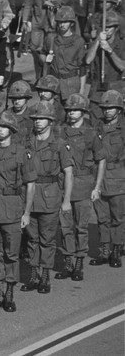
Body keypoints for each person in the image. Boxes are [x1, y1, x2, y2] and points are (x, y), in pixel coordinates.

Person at [0, 111, 36, 312]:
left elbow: (30, 184)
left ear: (11, 130)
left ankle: (9, 293)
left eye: (3, 127)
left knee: (11, 253)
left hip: (13, 207)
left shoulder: (21, 153)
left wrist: (27, 212)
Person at [21, 102, 74, 294]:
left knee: (47, 240)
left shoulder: (58, 144)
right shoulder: (26, 143)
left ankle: (45, 276)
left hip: (50, 196)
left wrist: (66, 201)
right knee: (31, 239)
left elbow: (68, 172)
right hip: (29, 197)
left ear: (50, 121)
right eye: (35, 119)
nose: (37, 122)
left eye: (41, 119)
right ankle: (34, 275)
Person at [55, 94, 106, 280]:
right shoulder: (60, 131)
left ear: (83, 112)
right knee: (65, 226)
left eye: (75, 110)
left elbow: (101, 160)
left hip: (83, 183)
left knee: (81, 227)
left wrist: (97, 187)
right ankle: (68, 261)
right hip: (62, 184)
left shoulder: (91, 133)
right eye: (69, 110)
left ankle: (79, 263)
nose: (71, 113)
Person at [90, 90, 125, 268]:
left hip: (118, 176)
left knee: (117, 217)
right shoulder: (96, 127)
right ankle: (104, 251)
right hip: (99, 177)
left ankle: (116, 251)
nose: (107, 111)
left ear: (118, 109)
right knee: (102, 217)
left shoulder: (123, 128)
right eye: (105, 108)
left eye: (111, 108)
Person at [41, 6, 86, 103]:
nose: (62, 25)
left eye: (65, 22)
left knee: (70, 113)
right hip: (54, 83)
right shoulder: (51, 39)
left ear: (71, 23)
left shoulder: (79, 41)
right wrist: (45, 59)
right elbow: (41, 53)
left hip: (71, 83)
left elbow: (82, 68)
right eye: (60, 22)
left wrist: (82, 90)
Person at [85, 10, 125, 94]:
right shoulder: (95, 43)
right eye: (104, 27)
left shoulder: (122, 45)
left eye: (109, 27)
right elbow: (88, 60)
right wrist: (97, 41)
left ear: (116, 28)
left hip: (114, 88)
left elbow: (122, 67)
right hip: (97, 88)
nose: (106, 29)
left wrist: (110, 50)